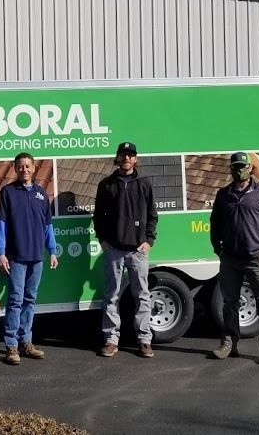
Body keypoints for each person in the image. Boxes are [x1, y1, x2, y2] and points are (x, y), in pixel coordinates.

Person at [209, 151, 259, 365]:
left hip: (256, 259)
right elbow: (215, 224)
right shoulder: (223, 195)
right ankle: (229, 344)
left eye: (243, 166)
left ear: (251, 169)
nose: (239, 170)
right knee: (229, 303)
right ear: (231, 169)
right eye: (236, 166)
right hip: (230, 259)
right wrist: (218, 249)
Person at [93, 141, 158, 358]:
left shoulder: (144, 183)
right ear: (117, 158)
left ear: (136, 159)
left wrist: (149, 240)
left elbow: (152, 215)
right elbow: (98, 216)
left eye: (130, 155)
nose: (126, 158)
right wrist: (102, 239)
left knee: (142, 296)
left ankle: (144, 340)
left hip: (138, 251)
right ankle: (111, 340)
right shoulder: (106, 184)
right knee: (111, 296)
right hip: (114, 250)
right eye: (123, 154)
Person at [0, 152, 59, 365]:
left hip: (37, 257)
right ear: (15, 168)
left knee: (30, 300)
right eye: (20, 166)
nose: (24, 170)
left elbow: (48, 226)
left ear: (33, 168)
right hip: (16, 256)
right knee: (15, 300)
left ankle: (26, 343)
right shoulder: (7, 193)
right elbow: (1, 224)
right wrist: (1, 252)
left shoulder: (41, 194)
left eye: (28, 166)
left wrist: (52, 250)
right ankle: (11, 346)